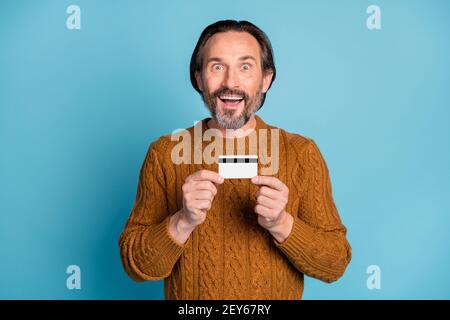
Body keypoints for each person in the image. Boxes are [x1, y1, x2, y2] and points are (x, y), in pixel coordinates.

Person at [119, 20, 351, 300]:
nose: (230, 82)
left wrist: (281, 224)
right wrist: (182, 221)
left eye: (245, 67)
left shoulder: (301, 153)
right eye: (217, 66)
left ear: (265, 79)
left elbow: (334, 264)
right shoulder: (165, 154)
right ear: (199, 78)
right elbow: (135, 266)